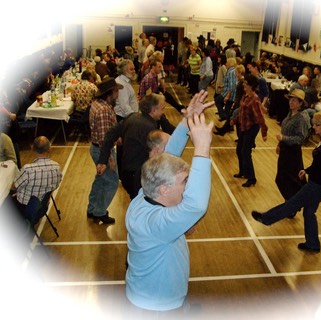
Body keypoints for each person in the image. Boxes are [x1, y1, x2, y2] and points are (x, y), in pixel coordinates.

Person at [125, 111, 213, 315]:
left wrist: (187, 119)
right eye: (185, 181)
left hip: (156, 297)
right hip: (157, 307)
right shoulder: (156, 223)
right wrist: (201, 148)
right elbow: (195, 205)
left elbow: (168, 158)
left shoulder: (144, 195)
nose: (188, 185)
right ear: (164, 189)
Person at [252, 109, 321, 253]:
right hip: (316, 181)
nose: (313, 127)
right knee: (309, 213)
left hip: (318, 186)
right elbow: (319, 164)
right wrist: (306, 170)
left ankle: (266, 218)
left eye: (317, 125)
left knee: (292, 203)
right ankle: (313, 244)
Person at [87, 78, 123, 224]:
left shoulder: (99, 105)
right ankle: (99, 212)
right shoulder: (103, 110)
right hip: (102, 151)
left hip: (96, 148)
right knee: (112, 182)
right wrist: (109, 159)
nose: (118, 94)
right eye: (116, 91)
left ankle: (92, 208)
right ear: (110, 93)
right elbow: (103, 139)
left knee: (100, 180)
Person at [275, 89, 311, 201]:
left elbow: (301, 138)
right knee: (284, 179)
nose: (291, 102)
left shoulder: (302, 118)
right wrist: (279, 144)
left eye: (295, 100)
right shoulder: (291, 113)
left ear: (300, 103)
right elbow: (285, 130)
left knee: (288, 179)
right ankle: (293, 202)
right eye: (291, 99)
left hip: (293, 152)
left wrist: (283, 139)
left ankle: (293, 203)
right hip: (285, 150)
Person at [234, 74, 268, 187]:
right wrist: (234, 120)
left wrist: (264, 133)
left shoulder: (255, 100)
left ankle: (251, 178)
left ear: (251, 86)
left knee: (245, 151)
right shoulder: (245, 96)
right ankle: (243, 171)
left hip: (252, 128)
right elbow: (241, 112)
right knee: (239, 149)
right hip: (244, 126)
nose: (244, 85)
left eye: (246, 83)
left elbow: (260, 118)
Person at [13, 136, 62, 213]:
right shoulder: (57, 167)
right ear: (49, 149)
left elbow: (14, 187)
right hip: (43, 208)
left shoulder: (27, 169)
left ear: (33, 149)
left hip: (24, 207)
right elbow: (56, 185)